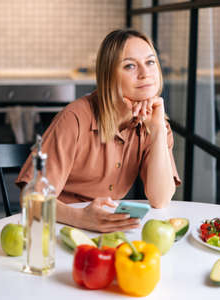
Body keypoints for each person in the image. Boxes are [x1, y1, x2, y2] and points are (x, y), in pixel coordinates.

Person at [16, 29, 181, 233]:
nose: (145, 73)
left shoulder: (154, 121)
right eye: (130, 65)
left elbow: (161, 198)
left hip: (104, 230)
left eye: (150, 62)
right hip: (56, 227)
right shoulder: (75, 119)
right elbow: (31, 199)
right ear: (109, 75)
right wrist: (80, 218)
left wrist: (157, 132)